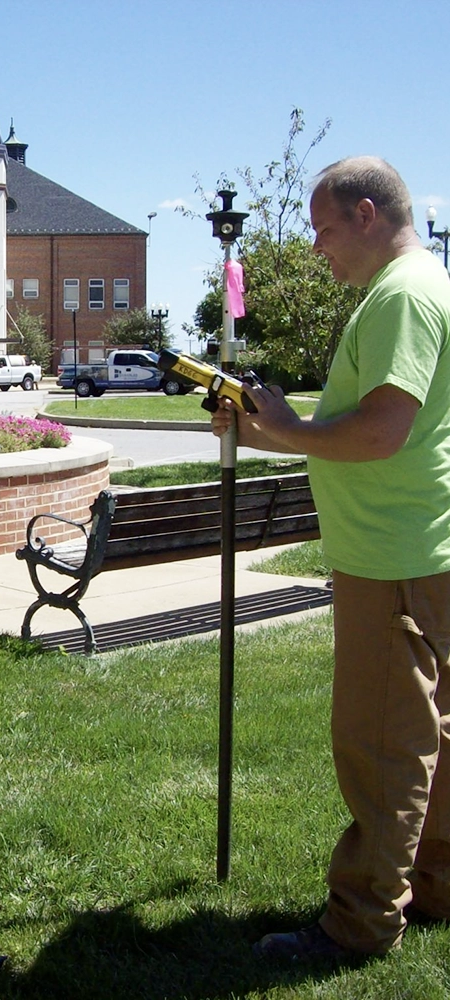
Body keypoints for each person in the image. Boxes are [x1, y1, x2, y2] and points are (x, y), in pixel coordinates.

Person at [211, 156, 450, 961]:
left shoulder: (402, 297)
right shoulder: (424, 284)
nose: (317, 249)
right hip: (421, 544)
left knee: (381, 742)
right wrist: (267, 426)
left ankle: (360, 922)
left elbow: (382, 432)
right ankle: (436, 885)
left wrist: (285, 429)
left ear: (365, 213)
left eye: (320, 230)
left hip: (392, 554)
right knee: (430, 736)